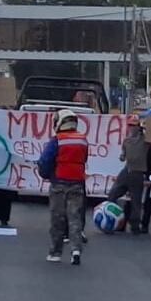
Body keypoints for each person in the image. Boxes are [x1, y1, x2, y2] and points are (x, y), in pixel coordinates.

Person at [43, 109, 90, 265]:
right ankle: (76, 250)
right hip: (77, 183)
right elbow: (84, 158)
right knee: (74, 217)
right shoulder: (83, 140)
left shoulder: (57, 140)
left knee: (58, 218)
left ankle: (55, 252)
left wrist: (46, 174)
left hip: (59, 183)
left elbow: (45, 161)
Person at [108, 123, 151, 234]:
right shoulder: (126, 141)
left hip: (137, 172)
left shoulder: (145, 141)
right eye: (130, 126)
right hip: (126, 170)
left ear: (139, 128)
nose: (131, 128)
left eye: (134, 126)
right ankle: (114, 218)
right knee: (112, 194)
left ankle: (135, 226)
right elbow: (123, 155)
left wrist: (146, 127)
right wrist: (122, 156)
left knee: (136, 201)